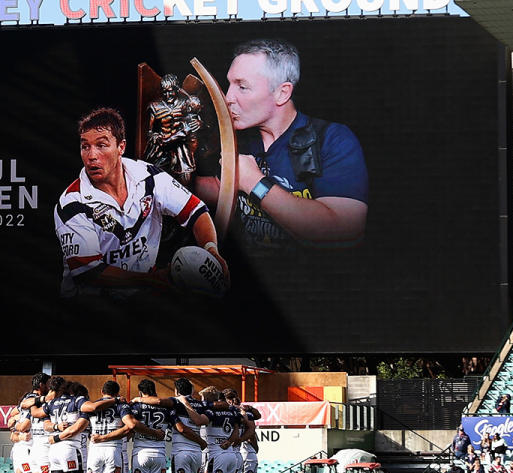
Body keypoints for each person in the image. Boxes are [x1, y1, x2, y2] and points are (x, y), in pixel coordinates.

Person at [195, 38, 368, 247]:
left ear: (282, 92)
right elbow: (223, 187)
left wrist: (254, 182)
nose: (228, 97)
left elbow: (344, 228)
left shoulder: (333, 140)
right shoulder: (240, 138)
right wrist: (170, 176)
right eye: (229, 84)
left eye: (242, 86)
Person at [54, 107, 228, 298]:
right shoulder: (71, 203)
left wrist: (211, 249)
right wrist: (152, 280)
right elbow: (89, 272)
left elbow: (196, 211)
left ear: (121, 147)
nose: (91, 155)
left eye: (101, 145)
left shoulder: (150, 178)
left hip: (142, 300)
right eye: (85, 146)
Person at [10, 374, 47, 473]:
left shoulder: (26, 399)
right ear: (41, 385)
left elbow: (11, 419)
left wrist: (15, 427)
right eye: (47, 384)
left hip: (21, 448)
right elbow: (23, 424)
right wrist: (19, 431)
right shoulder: (35, 399)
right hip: (27, 449)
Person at [18, 373, 51, 473]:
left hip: (36, 446)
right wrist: (44, 400)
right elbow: (25, 405)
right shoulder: (34, 397)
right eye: (47, 384)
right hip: (40, 446)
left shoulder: (38, 399)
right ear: (42, 384)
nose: (49, 387)